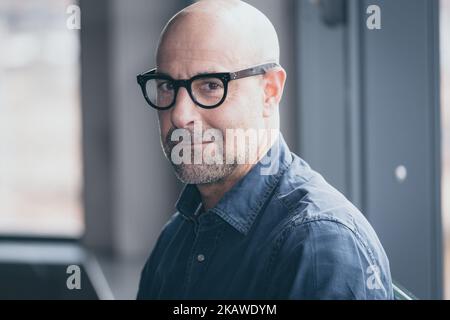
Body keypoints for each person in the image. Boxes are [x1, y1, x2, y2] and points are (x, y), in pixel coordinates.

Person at [136, 0, 393, 299]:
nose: (180, 115)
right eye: (167, 86)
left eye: (210, 85)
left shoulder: (319, 244)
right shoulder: (178, 233)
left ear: (269, 91)